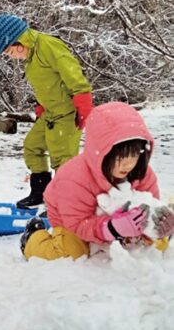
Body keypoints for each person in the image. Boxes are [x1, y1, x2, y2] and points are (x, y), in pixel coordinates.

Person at [19, 102, 174, 260]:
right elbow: (77, 223)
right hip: (74, 221)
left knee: (157, 244)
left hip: (124, 223)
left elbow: (150, 206)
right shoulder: (74, 177)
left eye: (134, 155)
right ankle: (33, 238)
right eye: (120, 157)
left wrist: (157, 227)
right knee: (73, 253)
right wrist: (112, 228)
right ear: (102, 152)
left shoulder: (143, 174)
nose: (128, 164)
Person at [0, 13, 93, 208]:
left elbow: (71, 71)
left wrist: (83, 98)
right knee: (32, 146)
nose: (13, 57)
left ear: (18, 43)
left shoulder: (48, 46)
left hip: (67, 113)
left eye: (10, 53)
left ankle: (64, 205)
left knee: (63, 159)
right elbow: (47, 82)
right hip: (50, 113)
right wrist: (41, 104)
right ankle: (41, 193)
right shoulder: (32, 54)